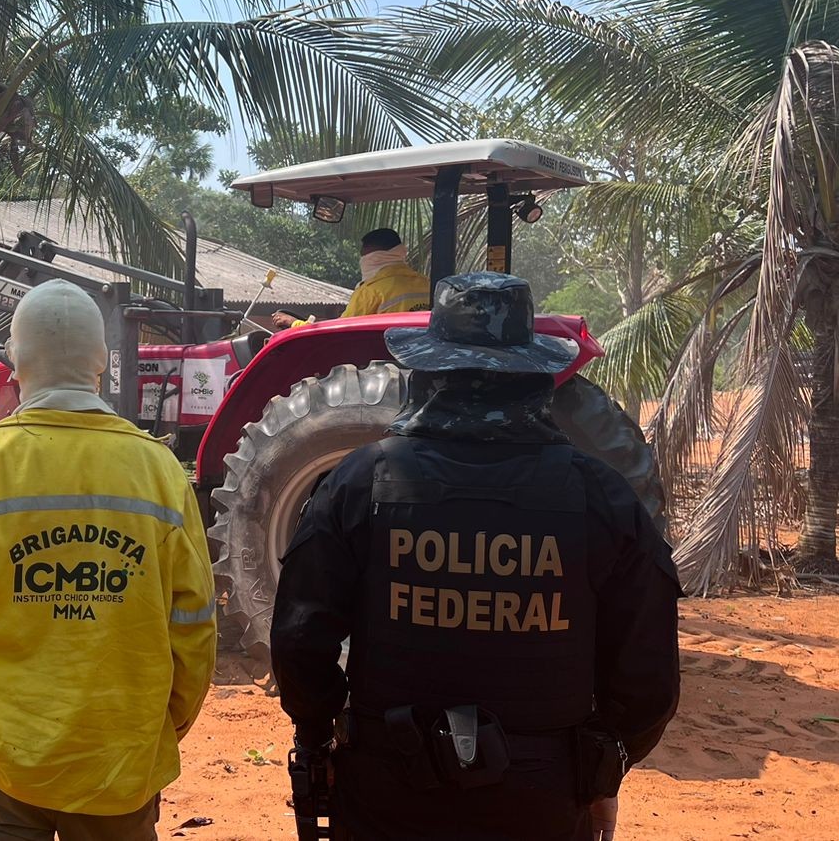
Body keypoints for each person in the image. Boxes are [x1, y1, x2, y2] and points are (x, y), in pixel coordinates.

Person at [271, 272, 681, 840]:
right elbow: (647, 676)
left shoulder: (358, 483)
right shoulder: (601, 497)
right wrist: (602, 768)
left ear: (428, 371)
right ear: (535, 377)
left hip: (388, 793)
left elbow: (300, 641)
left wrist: (319, 737)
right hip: (541, 801)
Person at [0, 279, 218, 841]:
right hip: (119, 764)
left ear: (16, 361)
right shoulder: (159, 472)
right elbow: (194, 627)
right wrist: (158, 735)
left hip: (0, 766)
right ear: (101, 361)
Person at [272, 228, 429, 329]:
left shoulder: (370, 291)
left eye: (364, 256)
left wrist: (294, 323)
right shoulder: (427, 284)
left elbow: (338, 331)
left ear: (374, 257)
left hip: (381, 358)